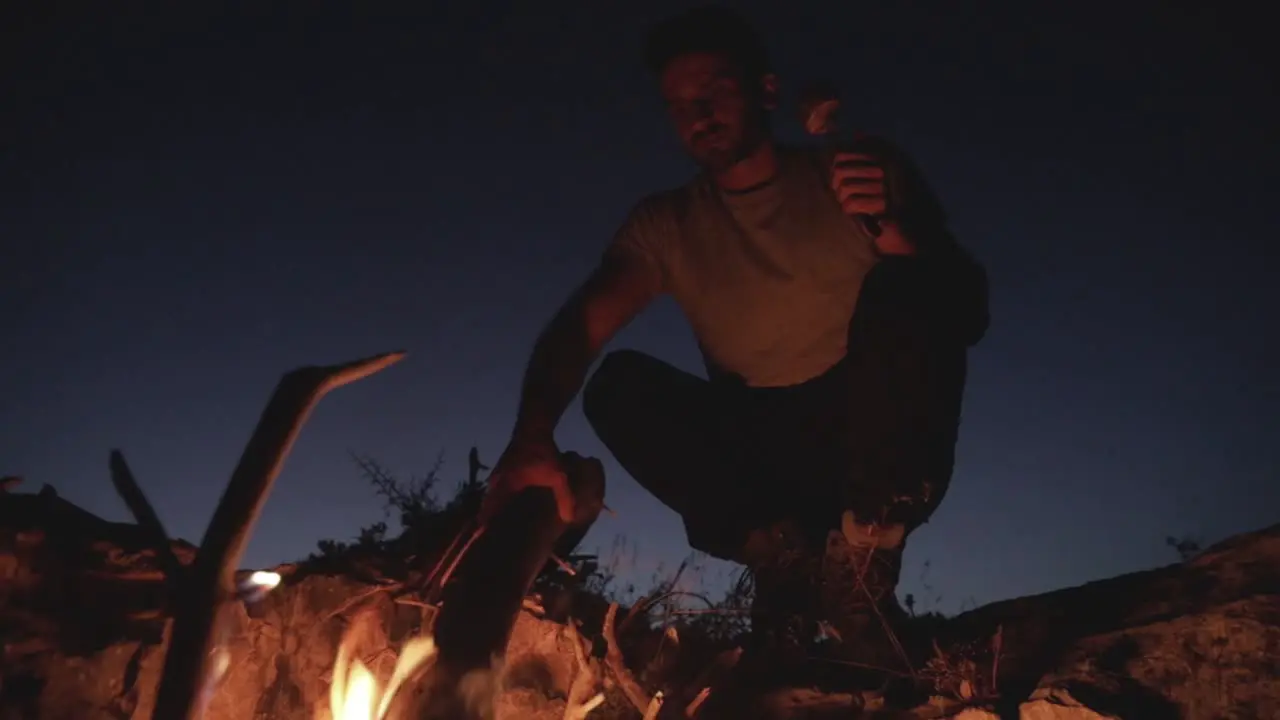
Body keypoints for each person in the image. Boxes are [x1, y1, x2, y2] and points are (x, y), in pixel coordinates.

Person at [479, 5, 989, 687]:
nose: (699, 114)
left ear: (766, 92)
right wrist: (532, 434)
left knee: (903, 286)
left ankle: (863, 578)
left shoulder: (858, 172)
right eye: (680, 104)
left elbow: (965, 311)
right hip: (760, 447)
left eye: (715, 91)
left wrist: (900, 234)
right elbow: (581, 327)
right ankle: (783, 571)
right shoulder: (667, 224)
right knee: (618, 384)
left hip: (869, 428)